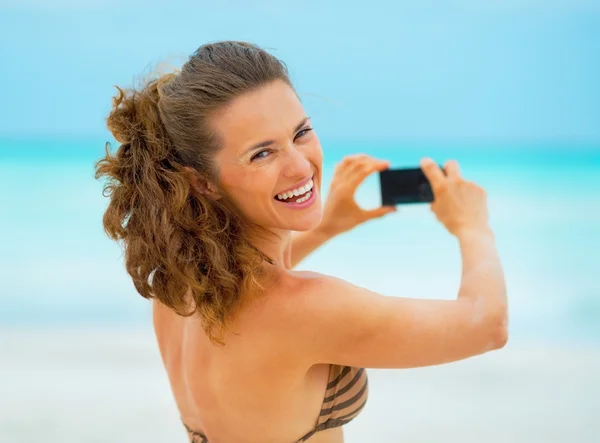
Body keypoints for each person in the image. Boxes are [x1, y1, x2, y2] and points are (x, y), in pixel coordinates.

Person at [94, 41, 508, 443]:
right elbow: (487, 325)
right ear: (202, 181)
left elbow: (252, 286)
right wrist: (472, 226)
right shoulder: (307, 307)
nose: (299, 166)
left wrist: (327, 224)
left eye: (301, 132)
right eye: (262, 154)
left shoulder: (178, 286)